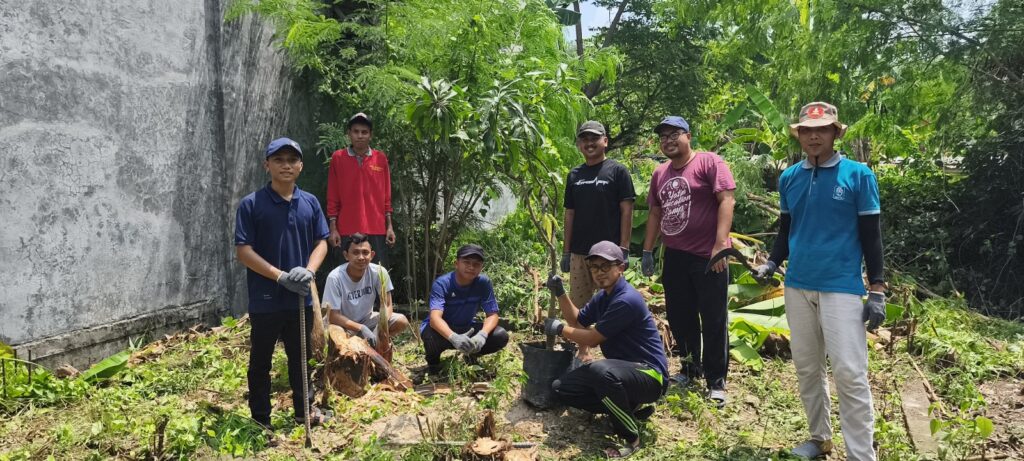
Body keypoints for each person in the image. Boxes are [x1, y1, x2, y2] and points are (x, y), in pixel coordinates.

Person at [754, 102, 885, 460]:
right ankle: (819, 438)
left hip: (841, 286)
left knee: (850, 372)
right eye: (807, 130)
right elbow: (786, 230)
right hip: (797, 284)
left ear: (835, 133)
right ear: (799, 135)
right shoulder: (789, 178)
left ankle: (861, 454)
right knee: (808, 367)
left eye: (822, 129)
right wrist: (772, 263)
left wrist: (877, 288)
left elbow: (871, 236)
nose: (814, 136)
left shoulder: (858, 175)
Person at [234, 137, 331, 428]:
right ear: (267, 165)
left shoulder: (309, 202)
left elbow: (322, 242)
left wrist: (309, 271)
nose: (286, 165)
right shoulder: (252, 204)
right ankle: (261, 420)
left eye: (292, 160)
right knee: (260, 361)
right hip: (265, 299)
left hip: (299, 297)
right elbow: (244, 251)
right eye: (279, 160)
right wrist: (280, 276)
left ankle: (304, 411)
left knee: (300, 358)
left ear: (300, 166)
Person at [641, 115, 736, 406]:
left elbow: (727, 200)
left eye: (674, 135)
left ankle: (716, 381)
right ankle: (690, 369)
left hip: (708, 256)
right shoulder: (660, 173)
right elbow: (655, 213)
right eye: (663, 137)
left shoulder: (709, 162)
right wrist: (647, 251)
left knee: (713, 318)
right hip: (676, 256)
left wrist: (720, 245)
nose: (668, 141)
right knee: (680, 316)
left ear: (688, 136)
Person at [544, 241, 669, 459]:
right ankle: (628, 408)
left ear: (620, 267)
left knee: (601, 372)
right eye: (594, 267)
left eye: (605, 266)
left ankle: (631, 437)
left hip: (650, 375)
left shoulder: (626, 300)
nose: (599, 272)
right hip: (623, 372)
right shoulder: (603, 296)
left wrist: (560, 329)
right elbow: (578, 320)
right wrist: (561, 292)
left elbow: (592, 339)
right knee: (562, 389)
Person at [562, 120, 636, 361]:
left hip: (609, 255)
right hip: (580, 251)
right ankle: (583, 353)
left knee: (612, 304)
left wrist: (624, 248)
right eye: (584, 139)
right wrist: (566, 251)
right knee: (579, 304)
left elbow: (627, 210)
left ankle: (619, 353)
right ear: (579, 144)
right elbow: (569, 214)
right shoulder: (574, 175)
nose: (589, 143)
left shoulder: (617, 171)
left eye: (594, 138)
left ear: (605, 141)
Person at [420, 244, 510, 375]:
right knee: (429, 334)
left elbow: (492, 314)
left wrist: (482, 335)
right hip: (443, 332)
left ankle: (471, 354)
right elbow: (435, 319)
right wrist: (453, 337)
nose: (471, 267)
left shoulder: (483, 283)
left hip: (467, 328)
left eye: (476, 264)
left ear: (481, 267)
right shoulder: (442, 284)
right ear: (456, 264)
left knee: (500, 335)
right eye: (466, 262)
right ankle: (433, 365)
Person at [325, 112, 395, 267]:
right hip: (346, 229)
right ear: (349, 134)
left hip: (376, 229)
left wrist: (389, 227)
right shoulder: (338, 158)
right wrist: (333, 229)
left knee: (378, 275)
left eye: (364, 132)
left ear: (371, 135)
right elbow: (332, 195)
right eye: (356, 131)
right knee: (346, 275)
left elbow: (387, 197)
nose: (360, 136)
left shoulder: (380, 158)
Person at [322, 233, 409, 347]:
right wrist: (361, 328)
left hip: (367, 320)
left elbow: (388, 305)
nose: (361, 257)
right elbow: (333, 316)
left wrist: (381, 327)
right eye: (355, 253)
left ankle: (377, 346)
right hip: (343, 325)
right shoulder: (335, 277)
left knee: (401, 321)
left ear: (372, 255)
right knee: (336, 336)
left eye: (365, 252)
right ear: (346, 255)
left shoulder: (379, 272)